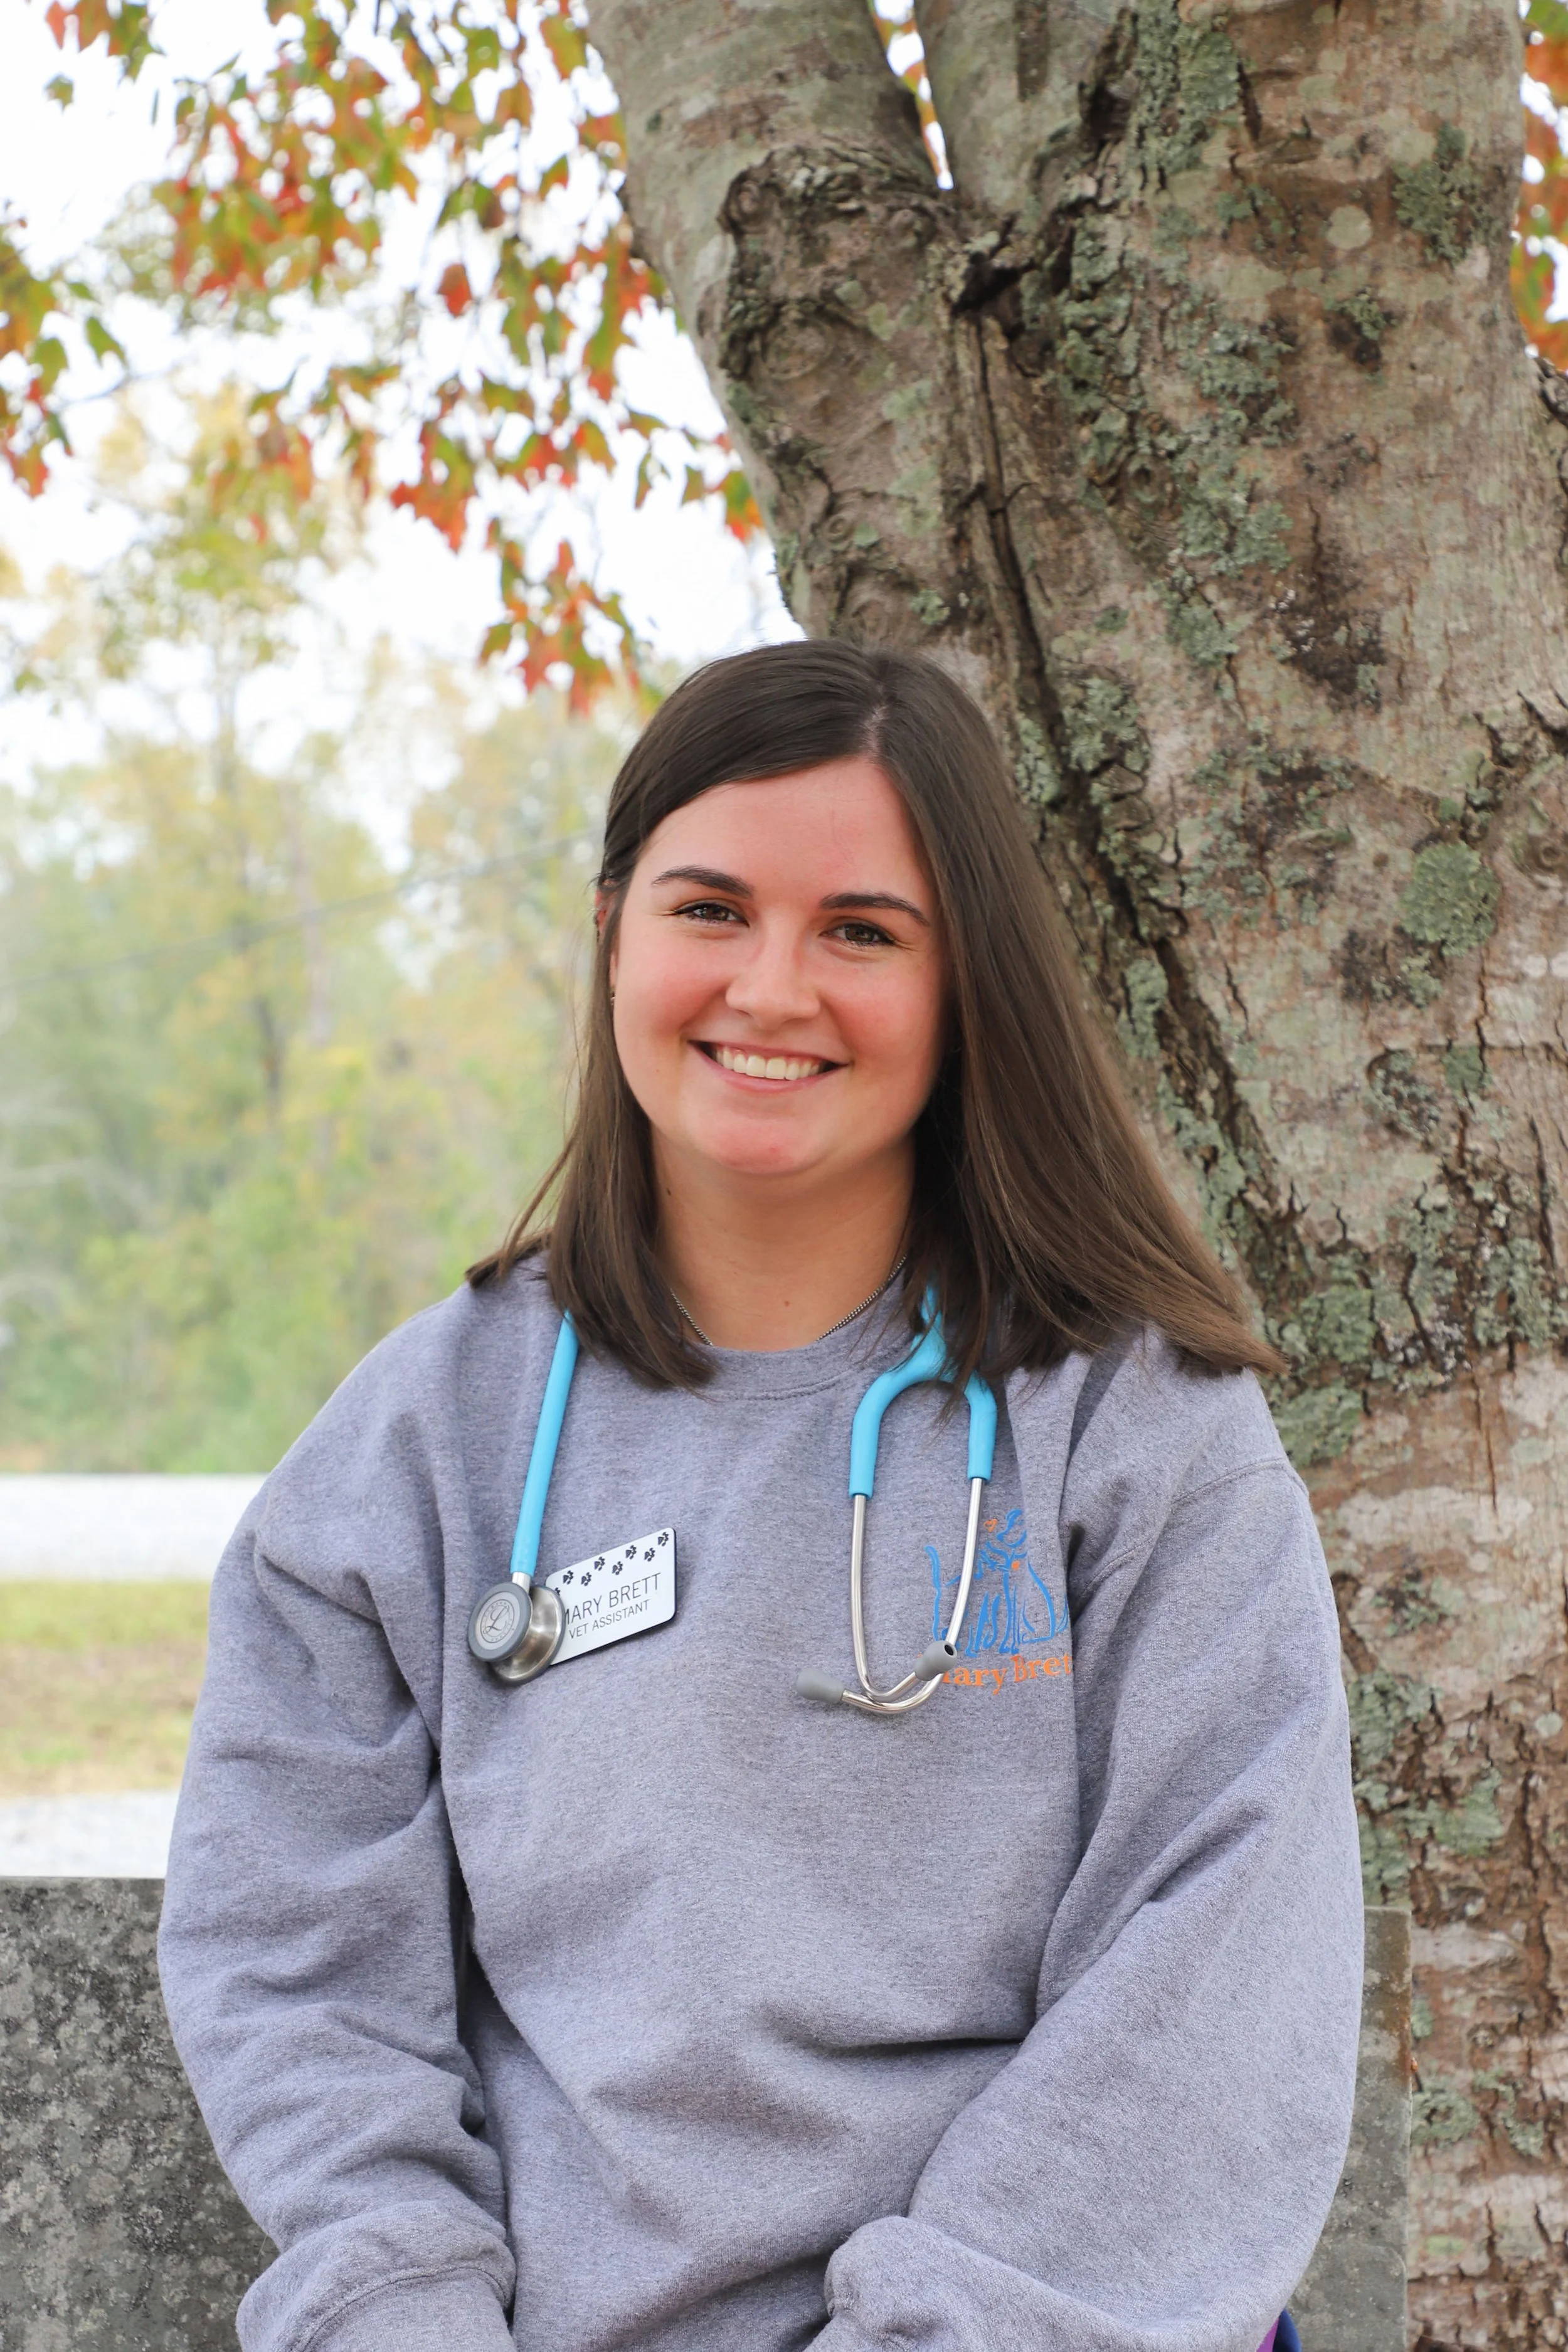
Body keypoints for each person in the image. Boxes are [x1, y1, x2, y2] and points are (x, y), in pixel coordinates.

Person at [159, 640, 1363, 2352]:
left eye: (861, 931)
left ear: (968, 987)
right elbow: (292, 1968)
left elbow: (1220, 1980)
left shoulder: (1131, 1426)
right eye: (708, 908)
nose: (772, 986)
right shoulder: (412, 1454)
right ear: (611, 931)